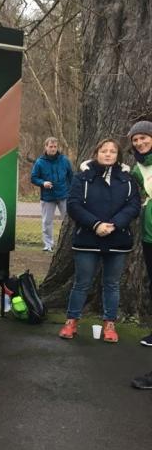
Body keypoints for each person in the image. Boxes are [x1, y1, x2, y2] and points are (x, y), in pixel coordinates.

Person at [58, 138, 140, 342]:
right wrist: (96, 224)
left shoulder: (128, 179)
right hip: (87, 239)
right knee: (81, 283)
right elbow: (74, 205)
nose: (108, 154)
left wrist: (114, 224)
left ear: (118, 155)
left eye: (112, 151)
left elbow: (133, 206)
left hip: (118, 239)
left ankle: (109, 324)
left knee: (111, 284)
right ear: (96, 153)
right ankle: (71, 321)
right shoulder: (82, 177)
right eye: (104, 150)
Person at [126, 121, 152, 388]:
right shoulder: (138, 168)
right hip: (149, 236)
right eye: (135, 140)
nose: (140, 143)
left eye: (144, 137)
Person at [31, 137, 73, 251]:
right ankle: (48, 245)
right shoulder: (40, 162)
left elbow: (71, 176)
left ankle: (68, 244)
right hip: (47, 197)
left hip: (64, 196)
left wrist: (71, 191)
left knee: (68, 221)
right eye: (51, 146)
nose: (53, 149)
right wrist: (43, 183)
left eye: (55, 147)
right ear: (46, 147)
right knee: (47, 222)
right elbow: (33, 178)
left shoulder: (64, 160)